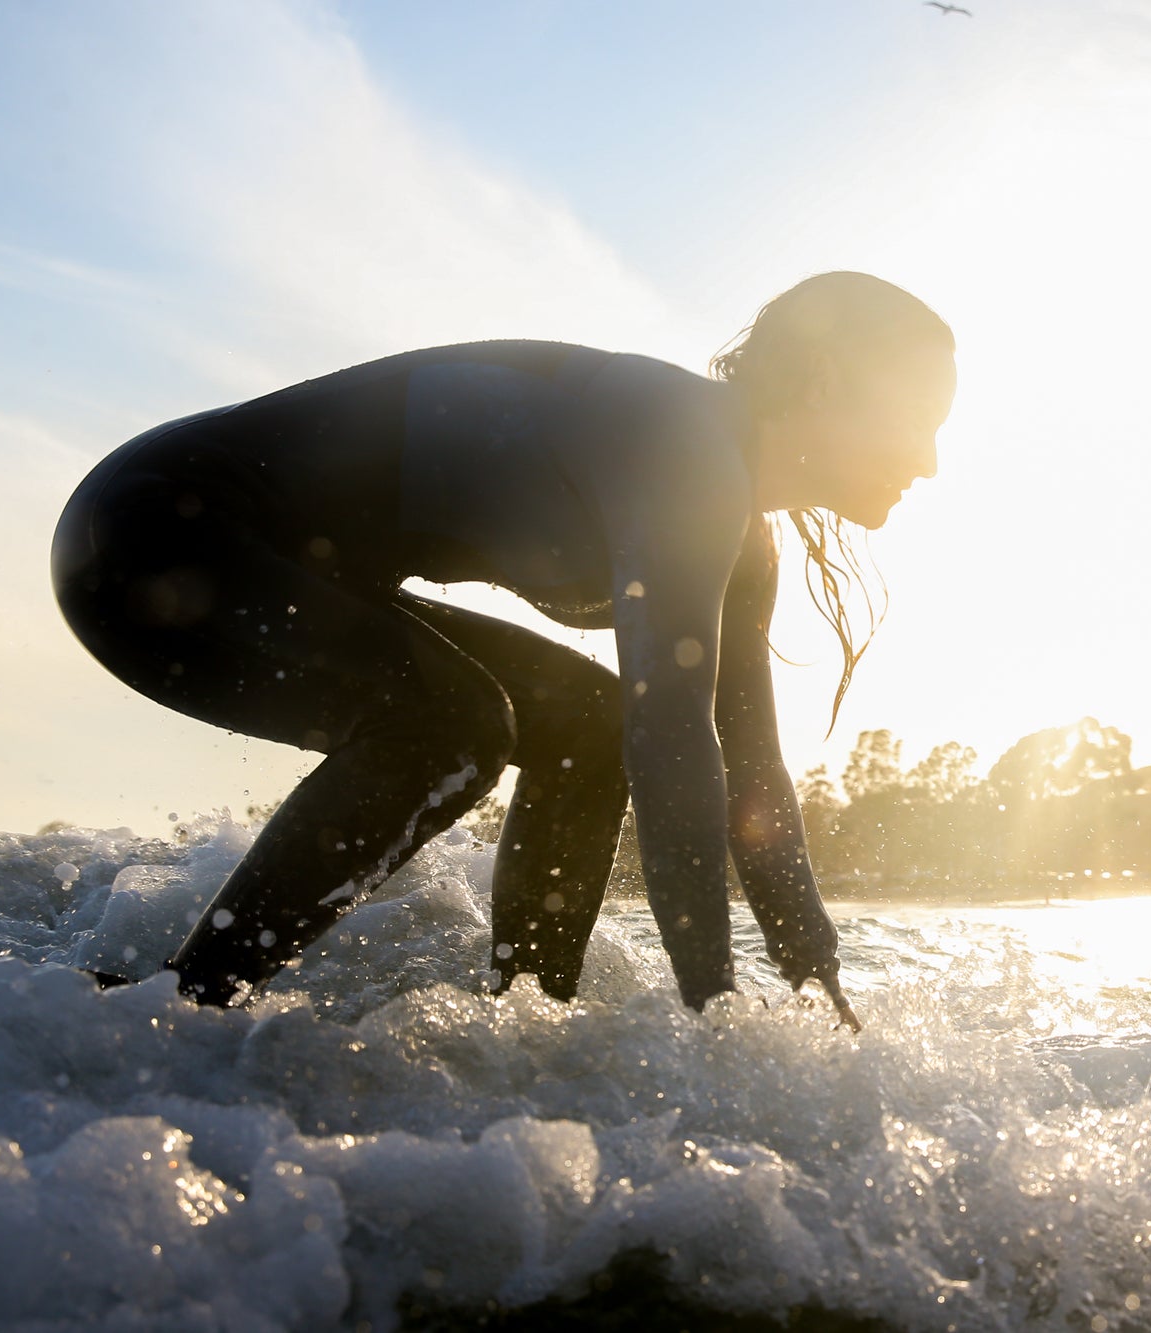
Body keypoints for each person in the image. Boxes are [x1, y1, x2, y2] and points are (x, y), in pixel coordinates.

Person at [50, 272, 956, 1026]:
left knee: (584, 728)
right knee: (454, 723)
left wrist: (819, 986)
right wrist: (713, 1018)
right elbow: (673, 739)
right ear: (827, 383)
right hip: (152, 539)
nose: (930, 461)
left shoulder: (742, 542)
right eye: (921, 417)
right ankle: (185, 1006)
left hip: (265, 568)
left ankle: (523, 1025)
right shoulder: (686, 442)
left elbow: (750, 771)